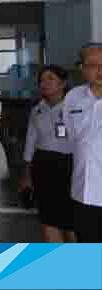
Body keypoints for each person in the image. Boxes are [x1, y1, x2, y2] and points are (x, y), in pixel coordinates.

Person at [20, 65, 75, 242]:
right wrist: (27, 175)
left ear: (63, 83)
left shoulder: (75, 108)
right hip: (43, 164)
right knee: (48, 217)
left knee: (71, 220)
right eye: (42, 80)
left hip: (70, 165)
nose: (45, 83)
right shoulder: (37, 109)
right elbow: (30, 142)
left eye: (50, 78)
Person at [64, 43, 102, 242]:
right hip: (83, 193)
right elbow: (73, 138)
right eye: (93, 65)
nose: (100, 70)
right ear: (82, 68)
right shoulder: (73, 97)